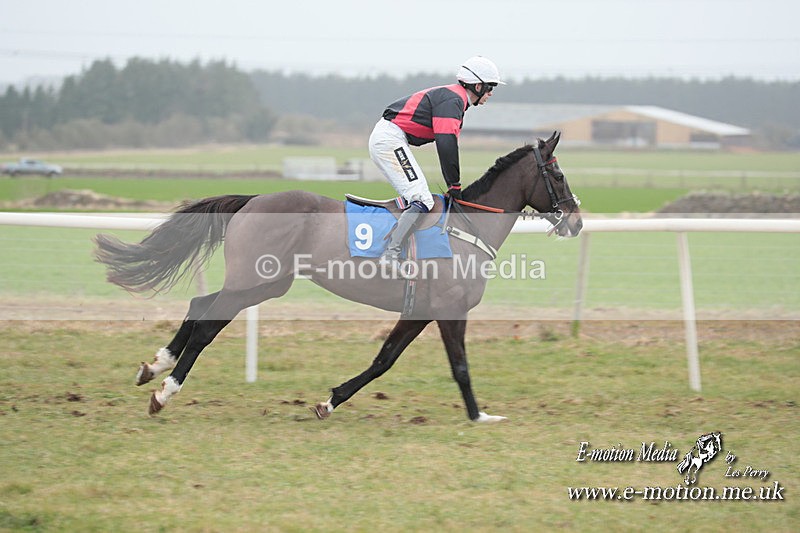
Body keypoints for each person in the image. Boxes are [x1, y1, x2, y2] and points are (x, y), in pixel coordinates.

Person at [368, 56, 505, 267]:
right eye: (490, 88)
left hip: (390, 137)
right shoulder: (453, 101)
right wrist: (455, 184)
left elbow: (446, 144)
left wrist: (453, 183)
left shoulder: (455, 98)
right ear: (478, 85)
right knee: (422, 199)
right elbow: (446, 145)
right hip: (389, 139)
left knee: (418, 197)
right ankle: (391, 254)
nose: (490, 93)